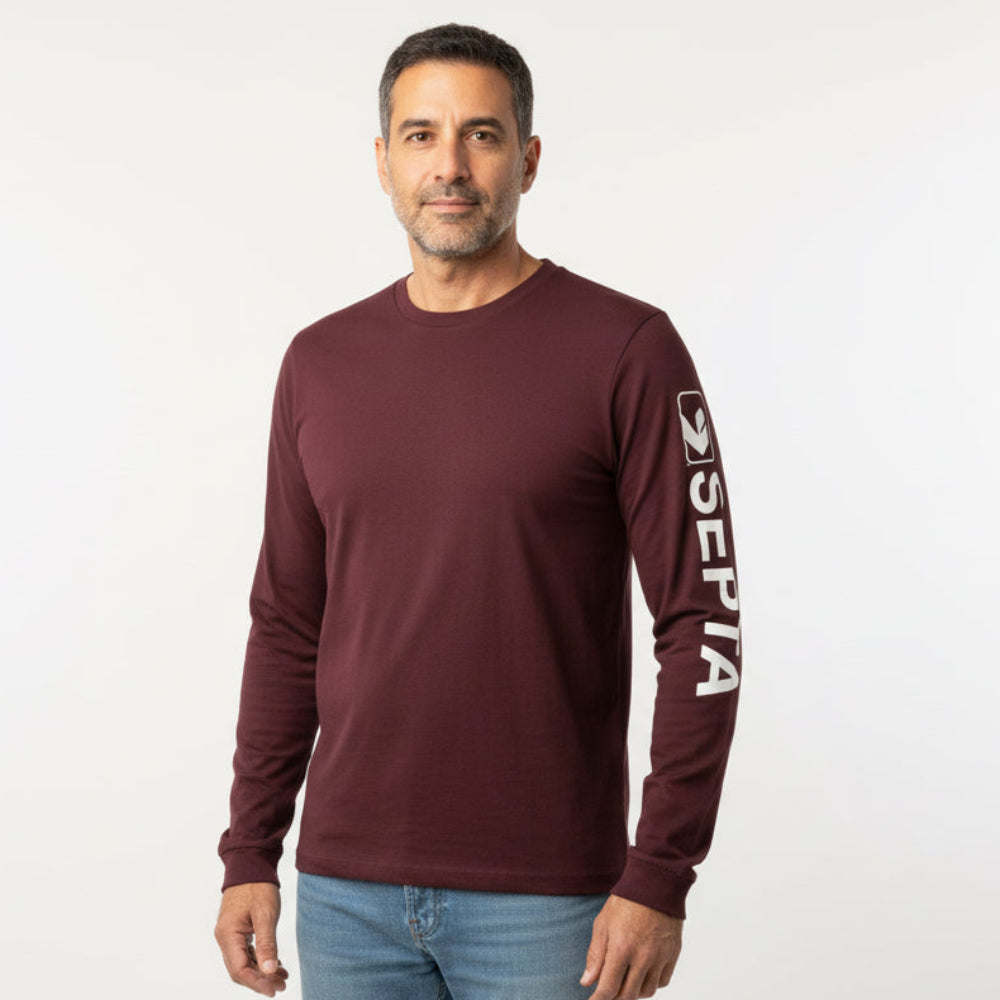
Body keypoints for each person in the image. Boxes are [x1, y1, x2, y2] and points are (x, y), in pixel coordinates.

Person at [214, 22, 741, 1000]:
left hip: (551, 899)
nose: (449, 166)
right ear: (382, 161)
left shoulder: (627, 348)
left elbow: (703, 622)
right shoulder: (319, 363)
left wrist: (661, 871)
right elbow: (286, 621)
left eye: (482, 135)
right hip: (344, 894)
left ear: (528, 160)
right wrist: (250, 849)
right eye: (421, 135)